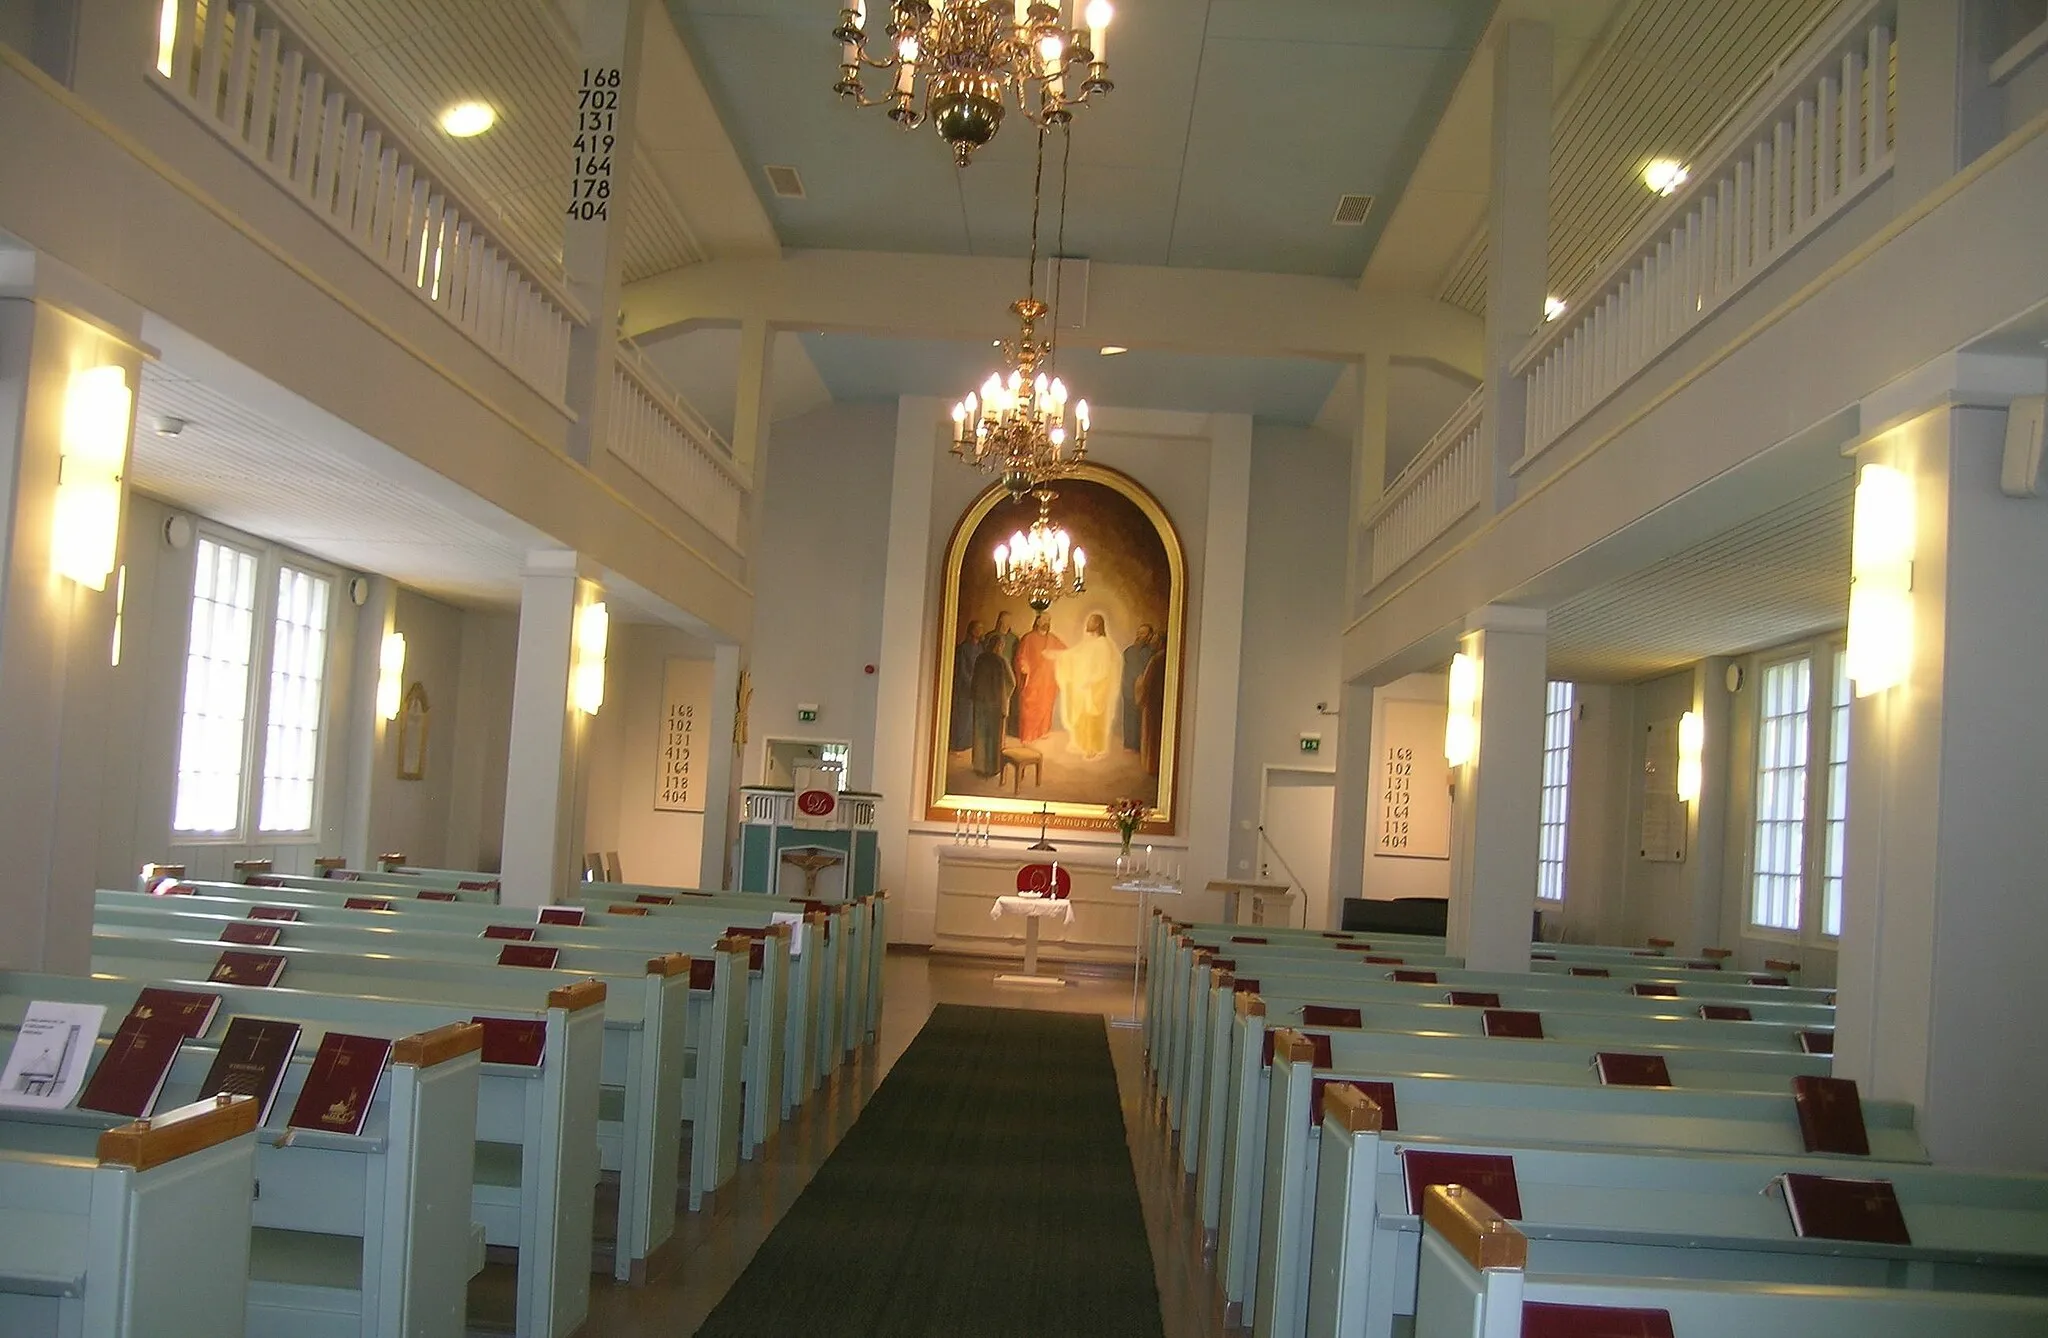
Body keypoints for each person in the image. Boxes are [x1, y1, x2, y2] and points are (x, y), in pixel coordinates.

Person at [1056, 612, 1121, 761]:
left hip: (1096, 686)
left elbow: (1104, 668)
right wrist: (1059, 656)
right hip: (1085, 685)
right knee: (1083, 716)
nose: (1088, 624)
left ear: (1098, 624)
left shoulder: (1103, 644)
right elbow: (1075, 655)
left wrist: (1091, 681)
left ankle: (1093, 747)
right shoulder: (1090, 642)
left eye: (1091, 621)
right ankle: (1083, 744)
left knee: (1093, 717)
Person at [1012, 612, 1065, 743]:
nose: (1047, 623)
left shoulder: (1053, 639)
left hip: (1048, 681)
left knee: (1045, 706)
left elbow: (1065, 653)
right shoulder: (1028, 638)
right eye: (1044, 620)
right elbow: (1020, 657)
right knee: (1029, 707)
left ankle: (1043, 732)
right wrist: (1024, 666)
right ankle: (1028, 735)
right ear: (1037, 622)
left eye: (1049, 620)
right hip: (1032, 680)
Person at [968, 630, 1014, 778]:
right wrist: (1005, 697)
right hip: (995, 705)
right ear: (999, 646)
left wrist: (976, 697)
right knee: (993, 737)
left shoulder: (980, 659)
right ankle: (993, 768)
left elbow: (974, 681)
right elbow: (1012, 682)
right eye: (1001, 645)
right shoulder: (1001, 661)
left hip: (981, 704)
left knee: (980, 735)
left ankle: (979, 766)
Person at [1121, 623, 1156, 751]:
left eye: (1143, 633)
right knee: (1129, 715)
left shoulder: (1151, 652)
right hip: (1129, 688)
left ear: (1149, 636)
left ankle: (1138, 745)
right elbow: (1127, 668)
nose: (1140, 636)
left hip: (1143, 689)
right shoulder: (1129, 651)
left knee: (1140, 718)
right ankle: (1129, 743)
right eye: (1139, 633)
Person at [949, 619, 983, 751]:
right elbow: (962, 670)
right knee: (963, 715)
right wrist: (971, 683)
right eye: (978, 629)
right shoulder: (963, 648)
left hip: (976, 686)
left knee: (972, 716)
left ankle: (968, 743)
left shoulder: (980, 648)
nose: (980, 632)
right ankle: (958, 744)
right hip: (964, 688)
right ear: (971, 631)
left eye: (981, 629)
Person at [1138, 630, 1167, 776]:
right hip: (1159, 702)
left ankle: (1152, 766)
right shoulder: (1162, 658)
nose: (1152, 644)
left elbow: (1146, 683)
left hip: (1152, 703)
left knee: (1152, 736)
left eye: (1154, 641)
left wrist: (1139, 685)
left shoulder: (1156, 660)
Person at [993, 610, 1021, 736]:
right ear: (999, 621)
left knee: (1006, 705)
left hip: (1008, 675)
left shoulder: (1014, 639)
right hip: (993, 676)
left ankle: (1003, 733)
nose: (1006, 624)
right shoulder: (991, 637)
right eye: (1004, 621)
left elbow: (1018, 658)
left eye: (1009, 622)